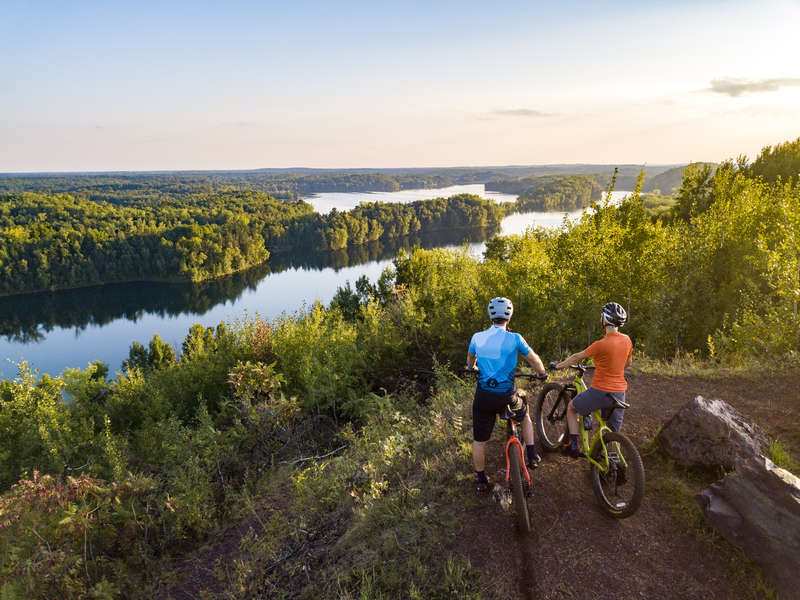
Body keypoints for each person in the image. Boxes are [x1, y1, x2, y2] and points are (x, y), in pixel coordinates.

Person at [467, 297, 547, 493]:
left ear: (490, 316)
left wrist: (473, 367)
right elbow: (534, 359)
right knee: (524, 415)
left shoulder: (477, 337)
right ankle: (531, 455)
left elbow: (470, 361)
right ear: (509, 318)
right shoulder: (515, 338)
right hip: (506, 397)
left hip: (484, 398)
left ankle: (481, 481)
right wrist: (542, 373)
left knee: (479, 440)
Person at [550, 302, 632, 458]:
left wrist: (558, 366)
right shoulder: (627, 340)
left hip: (600, 391)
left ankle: (574, 446)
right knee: (613, 432)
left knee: (572, 408)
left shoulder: (600, 344)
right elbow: (628, 363)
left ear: (605, 319)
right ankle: (614, 461)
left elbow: (577, 357)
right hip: (619, 393)